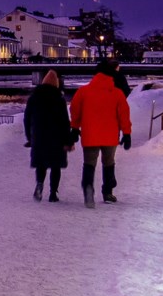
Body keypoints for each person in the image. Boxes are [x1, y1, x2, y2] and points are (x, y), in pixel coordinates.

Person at [70, 60, 134, 208]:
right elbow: (124, 114)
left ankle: (88, 189)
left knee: (89, 164)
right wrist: (127, 133)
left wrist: (74, 128)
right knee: (109, 163)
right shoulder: (117, 94)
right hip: (110, 136)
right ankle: (108, 193)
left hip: (90, 134)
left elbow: (75, 110)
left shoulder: (83, 92)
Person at [24, 70, 74, 202]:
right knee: (55, 166)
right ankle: (53, 194)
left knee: (41, 164)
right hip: (56, 138)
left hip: (39, 136)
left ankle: (39, 184)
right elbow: (64, 121)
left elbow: (27, 119)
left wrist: (30, 137)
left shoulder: (34, 98)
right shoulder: (59, 100)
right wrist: (67, 139)